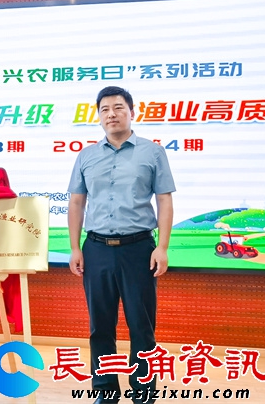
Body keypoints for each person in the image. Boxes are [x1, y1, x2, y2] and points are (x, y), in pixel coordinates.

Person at [67, 86, 175, 404]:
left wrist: (162, 247)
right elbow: (76, 203)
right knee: (100, 325)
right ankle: (105, 390)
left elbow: (164, 201)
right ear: (99, 115)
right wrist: (75, 248)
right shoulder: (86, 156)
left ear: (131, 112)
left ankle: (143, 391)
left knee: (141, 325)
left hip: (138, 249)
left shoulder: (152, 152)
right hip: (96, 249)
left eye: (118, 107)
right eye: (105, 109)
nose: (111, 114)